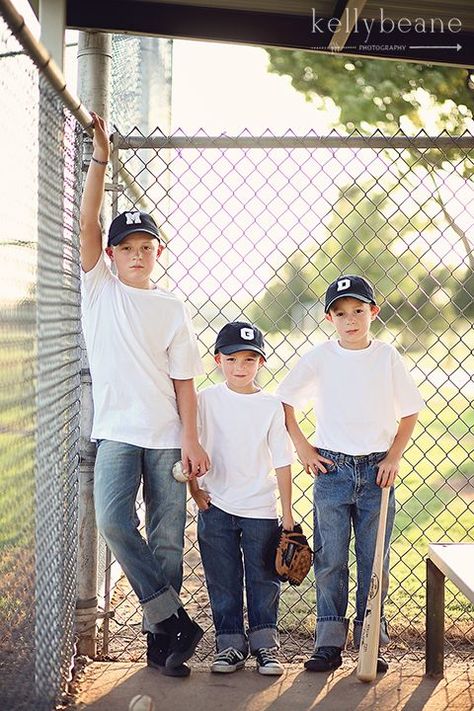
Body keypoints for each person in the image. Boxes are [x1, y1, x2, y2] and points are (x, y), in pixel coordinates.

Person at [80, 113, 210, 677]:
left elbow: (185, 381)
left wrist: (191, 440)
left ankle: (163, 644)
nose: (136, 254)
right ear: (110, 254)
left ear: (159, 252)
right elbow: (87, 224)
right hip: (115, 431)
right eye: (125, 247)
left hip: (164, 435)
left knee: (165, 536)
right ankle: (174, 617)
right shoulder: (99, 290)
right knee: (113, 520)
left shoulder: (171, 308)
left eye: (146, 247)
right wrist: (100, 159)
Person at [277, 275, 424, 673]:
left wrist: (393, 456)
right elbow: (284, 401)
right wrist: (304, 448)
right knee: (330, 559)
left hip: (378, 470)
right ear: (330, 319)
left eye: (358, 310)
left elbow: (410, 410)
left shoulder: (386, 356)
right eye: (341, 313)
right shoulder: (321, 358)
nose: (351, 319)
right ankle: (328, 643)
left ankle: (371, 638)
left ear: (373, 312)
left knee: (372, 560)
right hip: (333, 470)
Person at [189, 321, 295, 676]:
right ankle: (230, 644)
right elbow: (191, 446)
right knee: (223, 578)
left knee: (263, 578)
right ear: (218, 360)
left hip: (260, 508)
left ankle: (265, 646)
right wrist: (194, 491)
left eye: (249, 360)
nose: (240, 367)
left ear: (261, 363)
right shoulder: (206, 400)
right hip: (215, 503)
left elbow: (282, 459)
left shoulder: (270, 405)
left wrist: (287, 514)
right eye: (232, 359)